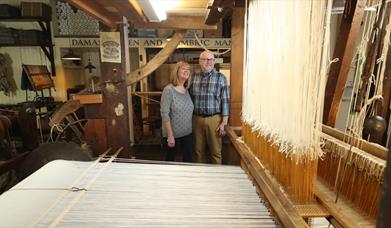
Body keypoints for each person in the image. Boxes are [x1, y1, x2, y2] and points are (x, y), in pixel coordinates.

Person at [190, 51, 230, 164]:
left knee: (216, 152)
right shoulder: (193, 78)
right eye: (206, 59)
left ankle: (216, 179)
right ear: (200, 61)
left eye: (211, 60)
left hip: (214, 120)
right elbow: (190, 98)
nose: (209, 62)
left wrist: (224, 122)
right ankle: (200, 178)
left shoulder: (221, 78)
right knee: (198, 152)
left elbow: (225, 101)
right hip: (197, 119)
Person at [160, 61, 194, 162]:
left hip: (187, 133)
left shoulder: (187, 90)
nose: (186, 71)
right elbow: (164, 113)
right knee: (170, 164)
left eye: (188, 69)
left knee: (188, 162)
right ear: (176, 71)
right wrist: (170, 135)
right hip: (173, 134)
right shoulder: (169, 90)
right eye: (183, 68)